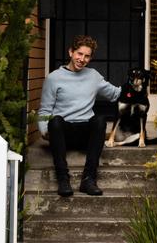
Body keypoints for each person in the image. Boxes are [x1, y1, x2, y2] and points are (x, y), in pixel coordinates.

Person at [38, 34, 120, 197]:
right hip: (63, 133)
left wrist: (136, 87)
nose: (82, 59)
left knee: (100, 119)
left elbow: (115, 94)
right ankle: (63, 179)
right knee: (55, 121)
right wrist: (44, 131)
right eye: (79, 54)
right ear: (71, 52)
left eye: (87, 56)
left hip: (85, 133)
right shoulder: (54, 78)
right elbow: (44, 110)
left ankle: (88, 180)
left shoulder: (93, 76)